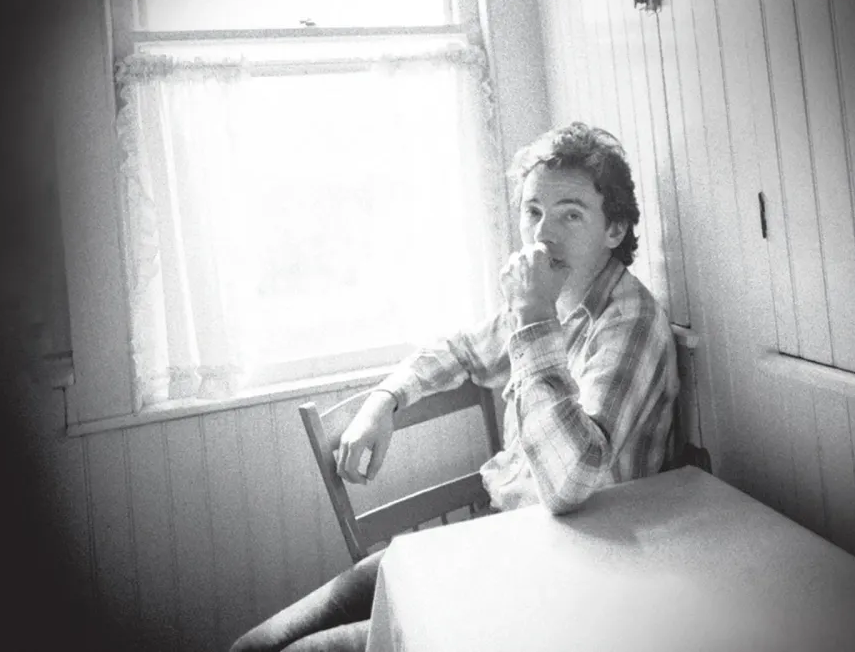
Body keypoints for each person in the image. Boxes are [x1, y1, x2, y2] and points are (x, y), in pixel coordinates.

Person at [230, 121, 679, 652]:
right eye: (533, 211)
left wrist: (533, 315)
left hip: (563, 573)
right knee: (253, 646)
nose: (543, 235)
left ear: (615, 229)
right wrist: (386, 398)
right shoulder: (551, 298)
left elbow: (570, 483)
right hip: (495, 536)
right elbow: (463, 351)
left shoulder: (628, 321)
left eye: (570, 214)